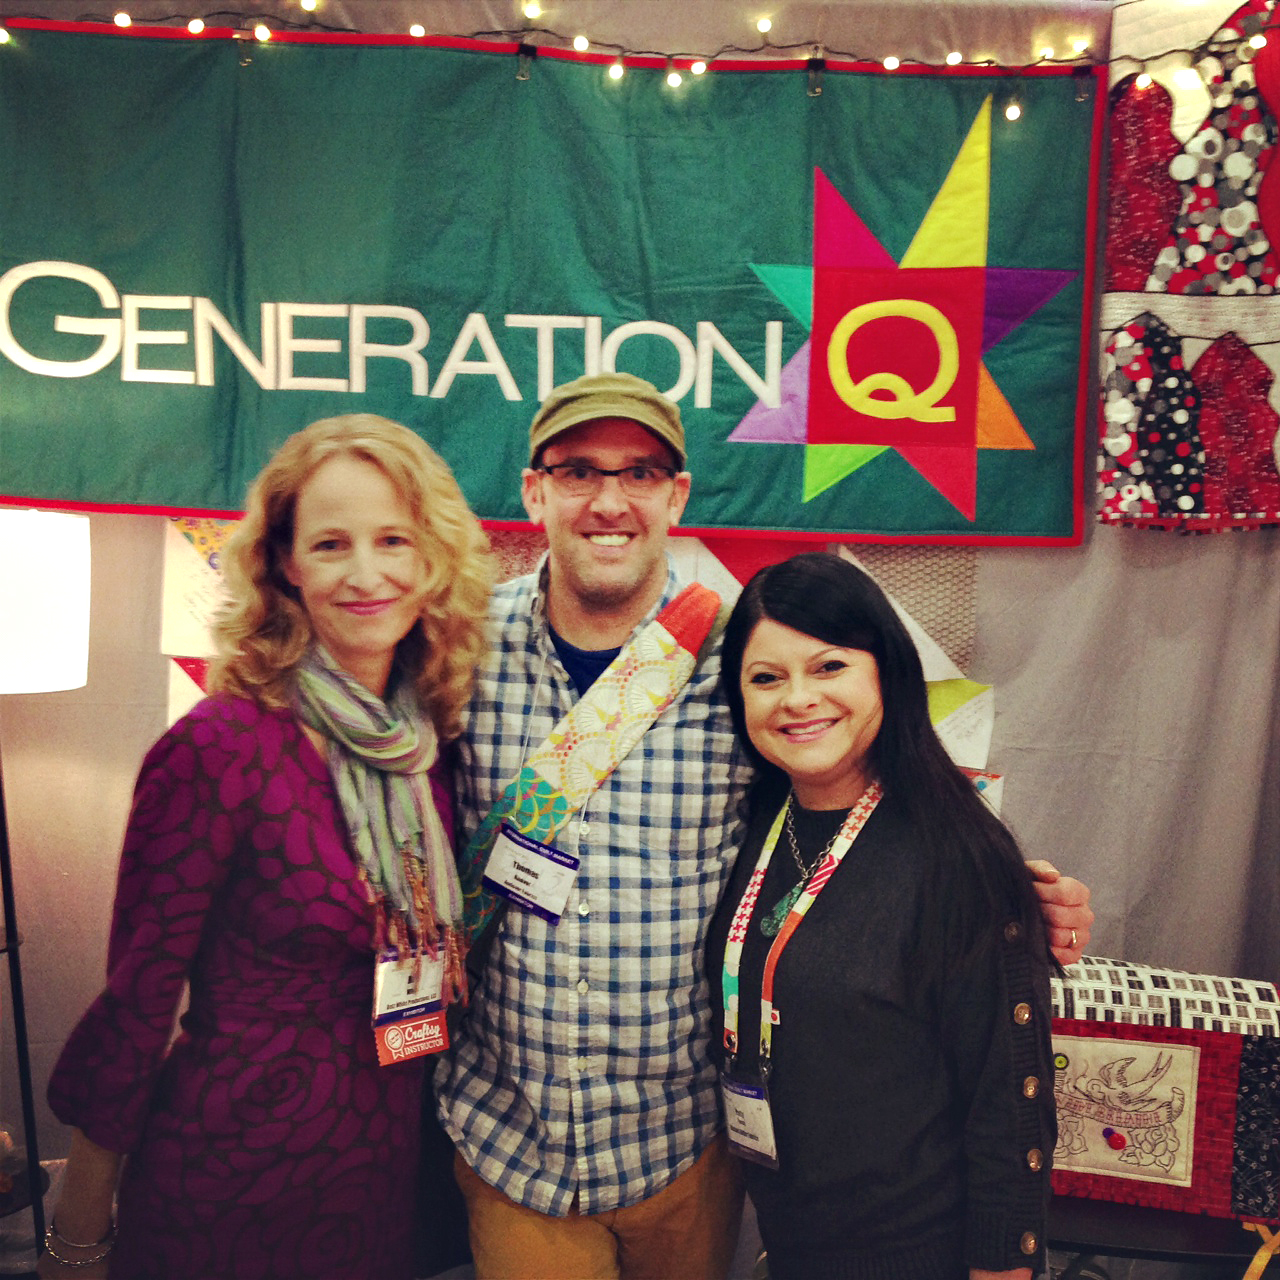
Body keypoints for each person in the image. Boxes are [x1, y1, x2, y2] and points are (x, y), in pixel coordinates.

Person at [432, 371, 1091, 1280]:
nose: (609, 501)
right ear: (534, 491)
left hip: (684, 1146)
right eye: (578, 471)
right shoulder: (456, 646)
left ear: (677, 496)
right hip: (512, 1137)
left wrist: (1004, 900)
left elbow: (865, 792)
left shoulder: (736, 653)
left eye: (640, 473)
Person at [39, 415, 492, 1280]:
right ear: (285, 564)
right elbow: (137, 1001)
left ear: (433, 557)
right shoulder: (221, 746)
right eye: (331, 544)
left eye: (393, 539)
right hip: (232, 1176)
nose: (367, 573)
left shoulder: (424, 743)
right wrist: (79, 1232)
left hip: (382, 1179)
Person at [707, 551, 1057, 1280]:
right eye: (766, 678)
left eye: (829, 666)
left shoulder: (960, 856)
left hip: (922, 1254)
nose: (797, 698)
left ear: (885, 673)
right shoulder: (756, 823)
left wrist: (1003, 1267)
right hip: (795, 1241)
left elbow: (1008, 1099)